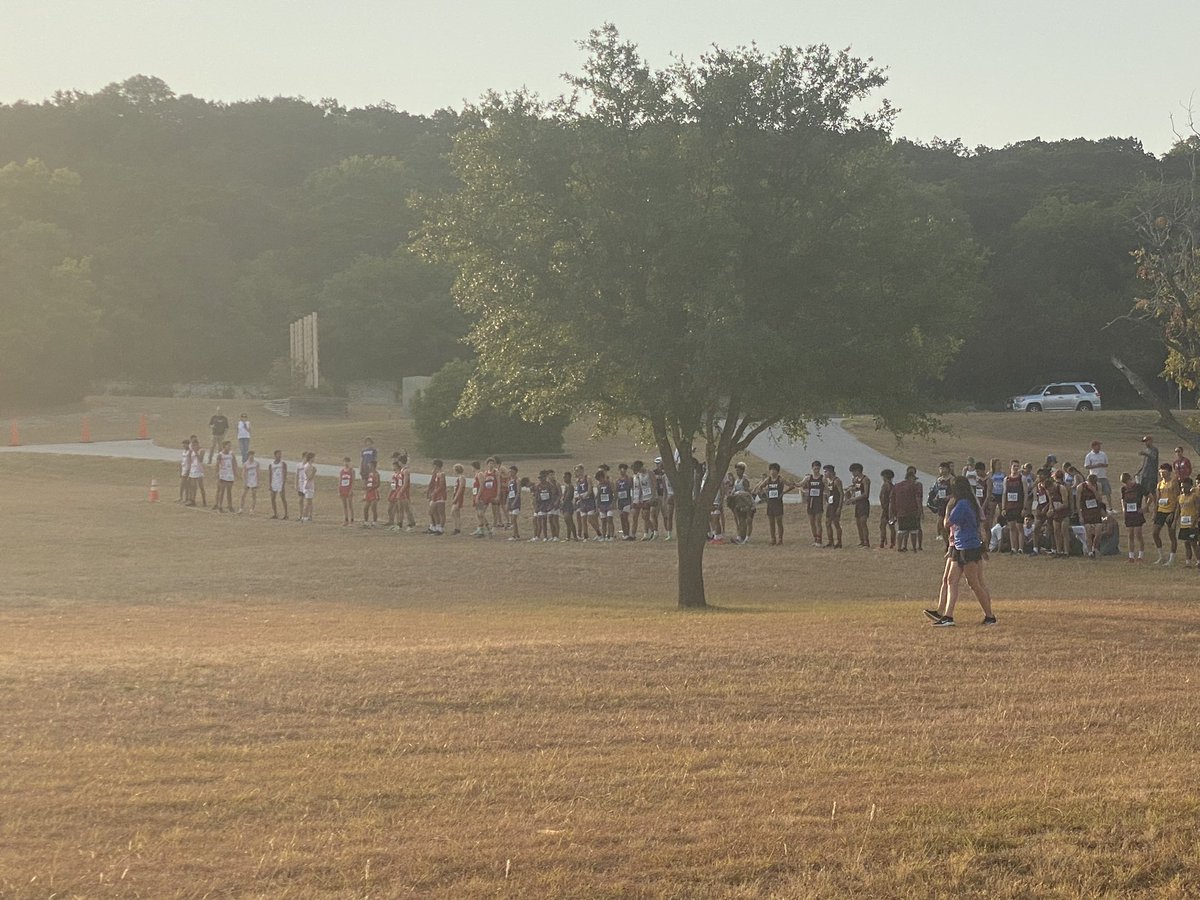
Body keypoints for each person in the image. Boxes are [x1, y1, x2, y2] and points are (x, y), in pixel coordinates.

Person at [929, 476, 996, 627]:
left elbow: (947, 523)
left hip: (968, 547)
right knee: (951, 580)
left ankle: (990, 616)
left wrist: (947, 509)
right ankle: (948, 616)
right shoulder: (970, 502)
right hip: (960, 546)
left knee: (974, 583)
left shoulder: (963, 504)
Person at [754, 463, 792, 546]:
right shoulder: (768, 480)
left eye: (774, 470)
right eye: (771, 470)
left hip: (778, 502)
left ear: (777, 471)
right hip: (770, 502)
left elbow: (791, 485)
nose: (772, 472)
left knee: (779, 521)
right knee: (771, 521)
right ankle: (772, 538)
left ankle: (780, 539)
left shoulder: (780, 479)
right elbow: (760, 487)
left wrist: (783, 492)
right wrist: (765, 494)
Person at [1152, 462, 1179, 565]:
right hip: (1161, 510)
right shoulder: (1160, 484)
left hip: (1170, 511)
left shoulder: (1173, 482)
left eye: (1164, 471)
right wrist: (1155, 512)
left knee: (1171, 535)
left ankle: (1171, 559)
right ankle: (1161, 556)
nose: (1162, 473)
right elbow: (1158, 498)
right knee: (1155, 533)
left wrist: (1174, 512)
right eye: (1161, 471)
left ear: (1169, 472)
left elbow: (1177, 498)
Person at [1119, 471, 1148, 563]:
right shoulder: (1123, 489)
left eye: (1127, 482)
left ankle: (1141, 556)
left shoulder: (1138, 487)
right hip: (1129, 513)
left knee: (1138, 534)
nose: (1127, 484)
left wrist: (1145, 508)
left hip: (1137, 512)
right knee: (1130, 534)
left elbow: (1150, 496)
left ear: (1130, 479)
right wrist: (1124, 509)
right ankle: (1131, 556)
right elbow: (1123, 499)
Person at [891, 466, 921, 551]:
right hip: (912, 511)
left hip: (900, 512)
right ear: (911, 477)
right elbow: (917, 499)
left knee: (901, 531)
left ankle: (899, 547)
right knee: (913, 531)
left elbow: (892, 499)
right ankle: (914, 547)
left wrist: (893, 511)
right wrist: (920, 510)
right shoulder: (914, 486)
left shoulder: (897, 486)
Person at [1076, 473, 1106, 558]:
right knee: (1088, 531)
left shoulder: (1098, 486)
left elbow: (1100, 500)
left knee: (1098, 532)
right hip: (1086, 511)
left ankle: (1094, 547)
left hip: (1095, 511)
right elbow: (1078, 503)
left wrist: (1094, 490)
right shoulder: (1081, 487)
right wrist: (1080, 515)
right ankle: (1090, 552)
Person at [1000, 460, 1026, 555]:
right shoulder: (1006, 479)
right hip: (1009, 506)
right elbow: (1004, 493)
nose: (1015, 468)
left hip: (1019, 506)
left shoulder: (1021, 479)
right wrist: (1003, 508)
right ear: (1010, 467)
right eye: (1014, 466)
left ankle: (1020, 548)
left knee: (1019, 527)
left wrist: (1024, 507)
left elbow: (1025, 493)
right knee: (1011, 527)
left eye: (1017, 466)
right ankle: (1013, 548)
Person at [847, 463, 871, 548]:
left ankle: (866, 542)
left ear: (858, 471)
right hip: (857, 503)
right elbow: (856, 488)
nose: (852, 474)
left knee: (863, 522)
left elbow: (866, 494)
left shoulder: (865, 479)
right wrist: (850, 489)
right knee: (858, 523)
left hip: (863, 503)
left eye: (853, 471)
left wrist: (854, 499)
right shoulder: (855, 479)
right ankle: (861, 541)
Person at [801, 461, 825, 547]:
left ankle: (819, 540)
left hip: (818, 502)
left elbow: (827, 487)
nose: (816, 470)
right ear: (812, 468)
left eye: (818, 468)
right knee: (812, 521)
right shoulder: (808, 478)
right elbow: (800, 484)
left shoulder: (822, 478)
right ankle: (815, 538)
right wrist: (793, 484)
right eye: (815, 468)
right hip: (811, 502)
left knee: (818, 521)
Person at [1176, 477, 1199, 568]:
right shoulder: (1180, 497)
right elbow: (1178, 510)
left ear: (1190, 486)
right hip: (1183, 523)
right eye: (1182, 487)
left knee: (1193, 543)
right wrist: (1175, 521)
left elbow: (1197, 511)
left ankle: (1198, 561)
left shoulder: (1194, 497)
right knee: (1186, 543)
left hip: (1192, 523)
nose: (1183, 489)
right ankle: (1188, 562)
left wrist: (1194, 523)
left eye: (1185, 487)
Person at [822, 464, 844, 549]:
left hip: (835, 505)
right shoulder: (828, 481)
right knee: (827, 523)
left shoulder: (837, 481)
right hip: (830, 504)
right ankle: (830, 541)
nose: (825, 474)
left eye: (826, 472)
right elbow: (829, 492)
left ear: (830, 472)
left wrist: (839, 507)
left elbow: (841, 494)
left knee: (836, 523)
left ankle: (839, 542)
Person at [877, 468, 896, 549]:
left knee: (883, 525)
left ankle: (882, 541)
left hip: (886, 508)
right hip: (891, 508)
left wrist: (884, 506)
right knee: (891, 526)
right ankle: (892, 542)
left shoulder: (885, 485)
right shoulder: (893, 486)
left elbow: (882, 496)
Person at [427, 459, 446, 535]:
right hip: (435, 495)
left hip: (440, 495)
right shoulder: (436, 473)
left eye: (433, 465)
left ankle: (440, 528)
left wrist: (434, 492)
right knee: (433, 511)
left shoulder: (441, 474)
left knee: (440, 512)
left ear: (436, 465)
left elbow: (441, 486)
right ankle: (436, 527)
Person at [615, 463, 634, 540]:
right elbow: (616, 491)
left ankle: (627, 533)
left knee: (625, 516)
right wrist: (615, 501)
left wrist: (632, 500)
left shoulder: (629, 479)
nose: (622, 471)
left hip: (627, 500)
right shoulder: (617, 480)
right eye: (621, 470)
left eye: (624, 470)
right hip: (620, 501)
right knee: (621, 517)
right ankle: (624, 533)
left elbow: (632, 489)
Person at [187, 437, 207, 507]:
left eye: (195, 445)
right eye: (192, 445)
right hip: (193, 470)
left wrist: (196, 452)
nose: (193, 447)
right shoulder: (191, 451)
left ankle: (204, 501)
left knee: (201, 486)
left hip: (199, 470)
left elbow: (200, 460)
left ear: (197, 444)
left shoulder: (201, 450)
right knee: (193, 486)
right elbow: (190, 461)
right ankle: (193, 500)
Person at [268, 450, 288, 519]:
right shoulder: (271, 464)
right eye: (278, 454)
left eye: (280, 454)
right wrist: (270, 484)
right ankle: (275, 514)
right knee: (272, 499)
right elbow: (270, 475)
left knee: (283, 498)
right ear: (275, 455)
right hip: (274, 482)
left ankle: (286, 514)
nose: (280, 455)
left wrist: (283, 484)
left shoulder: (283, 464)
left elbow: (285, 474)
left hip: (280, 482)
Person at [239, 449, 259, 515]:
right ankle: (241, 509)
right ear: (248, 456)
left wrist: (258, 481)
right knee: (243, 495)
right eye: (250, 455)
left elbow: (257, 472)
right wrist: (244, 481)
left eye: (252, 455)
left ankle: (252, 510)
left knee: (253, 495)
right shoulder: (246, 464)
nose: (251, 456)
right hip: (248, 480)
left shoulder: (256, 463)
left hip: (254, 480)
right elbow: (243, 473)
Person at [506, 465, 524, 541]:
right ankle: (516, 534)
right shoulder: (510, 481)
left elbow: (518, 492)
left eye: (512, 471)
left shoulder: (518, 480)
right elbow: (509, 492)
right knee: (512, 519)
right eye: (509, 471)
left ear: (515, 472)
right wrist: (507, 502)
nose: (510, 473)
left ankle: (515, 535)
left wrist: (515, 501)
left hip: (515, 501)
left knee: (514, 519)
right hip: (510, 500)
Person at [338, 457, 356, 525]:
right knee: (344, 505)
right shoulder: (342, 471)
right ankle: (346, 519)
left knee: (350, 505)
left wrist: (351, 490)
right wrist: (339, 490)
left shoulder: (352, 471)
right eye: (345, 462)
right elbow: (340, 481)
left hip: (349, 489)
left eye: (347, 462)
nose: (346, 463)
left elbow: (353, 481)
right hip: (343, 489)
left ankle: (352, 520)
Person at [362, 460, 380, 527]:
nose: (369, 466)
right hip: (368, 492)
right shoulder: (369, 474)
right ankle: (366, 521)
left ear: (373, 465)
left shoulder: (376, 474)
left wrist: (371, 487)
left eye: (370, 465)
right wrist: (366, 487)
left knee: (373, 508)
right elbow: (367, 482)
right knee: (365, 508)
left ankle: (375, 522)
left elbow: (378, 484)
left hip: (373, 492)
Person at [300, 452, 317, 523]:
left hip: (309, 486)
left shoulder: (309, 466)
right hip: (308, 486)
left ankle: (307, 517)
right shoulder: (308, 466)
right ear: (310, 458)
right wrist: (314, 471)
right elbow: (309, 477)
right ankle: (304, 517)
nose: (314, 459)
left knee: (309, 502)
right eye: (313, 457)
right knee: (308, 503)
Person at [449, 463, 465, 535]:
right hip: (456, 496)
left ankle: (457, 528)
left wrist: (456, 497)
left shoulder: (461, 477)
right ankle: (457, 528)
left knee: (454, 511)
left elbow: (460, 488)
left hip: (459, 497)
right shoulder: (459, 477)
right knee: (456, 513)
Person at [177, 438, 192, 503]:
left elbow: (191, 462)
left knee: (186, 485)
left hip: (187, 469)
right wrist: (180, 470)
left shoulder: (190, 452)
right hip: (183, 469)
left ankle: (186, 498)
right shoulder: (184, 452)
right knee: (182, 484)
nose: (183, 446)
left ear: (187, 444)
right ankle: (181, 497)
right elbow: (182, 461)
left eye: (184, 444)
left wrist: (189, 471)